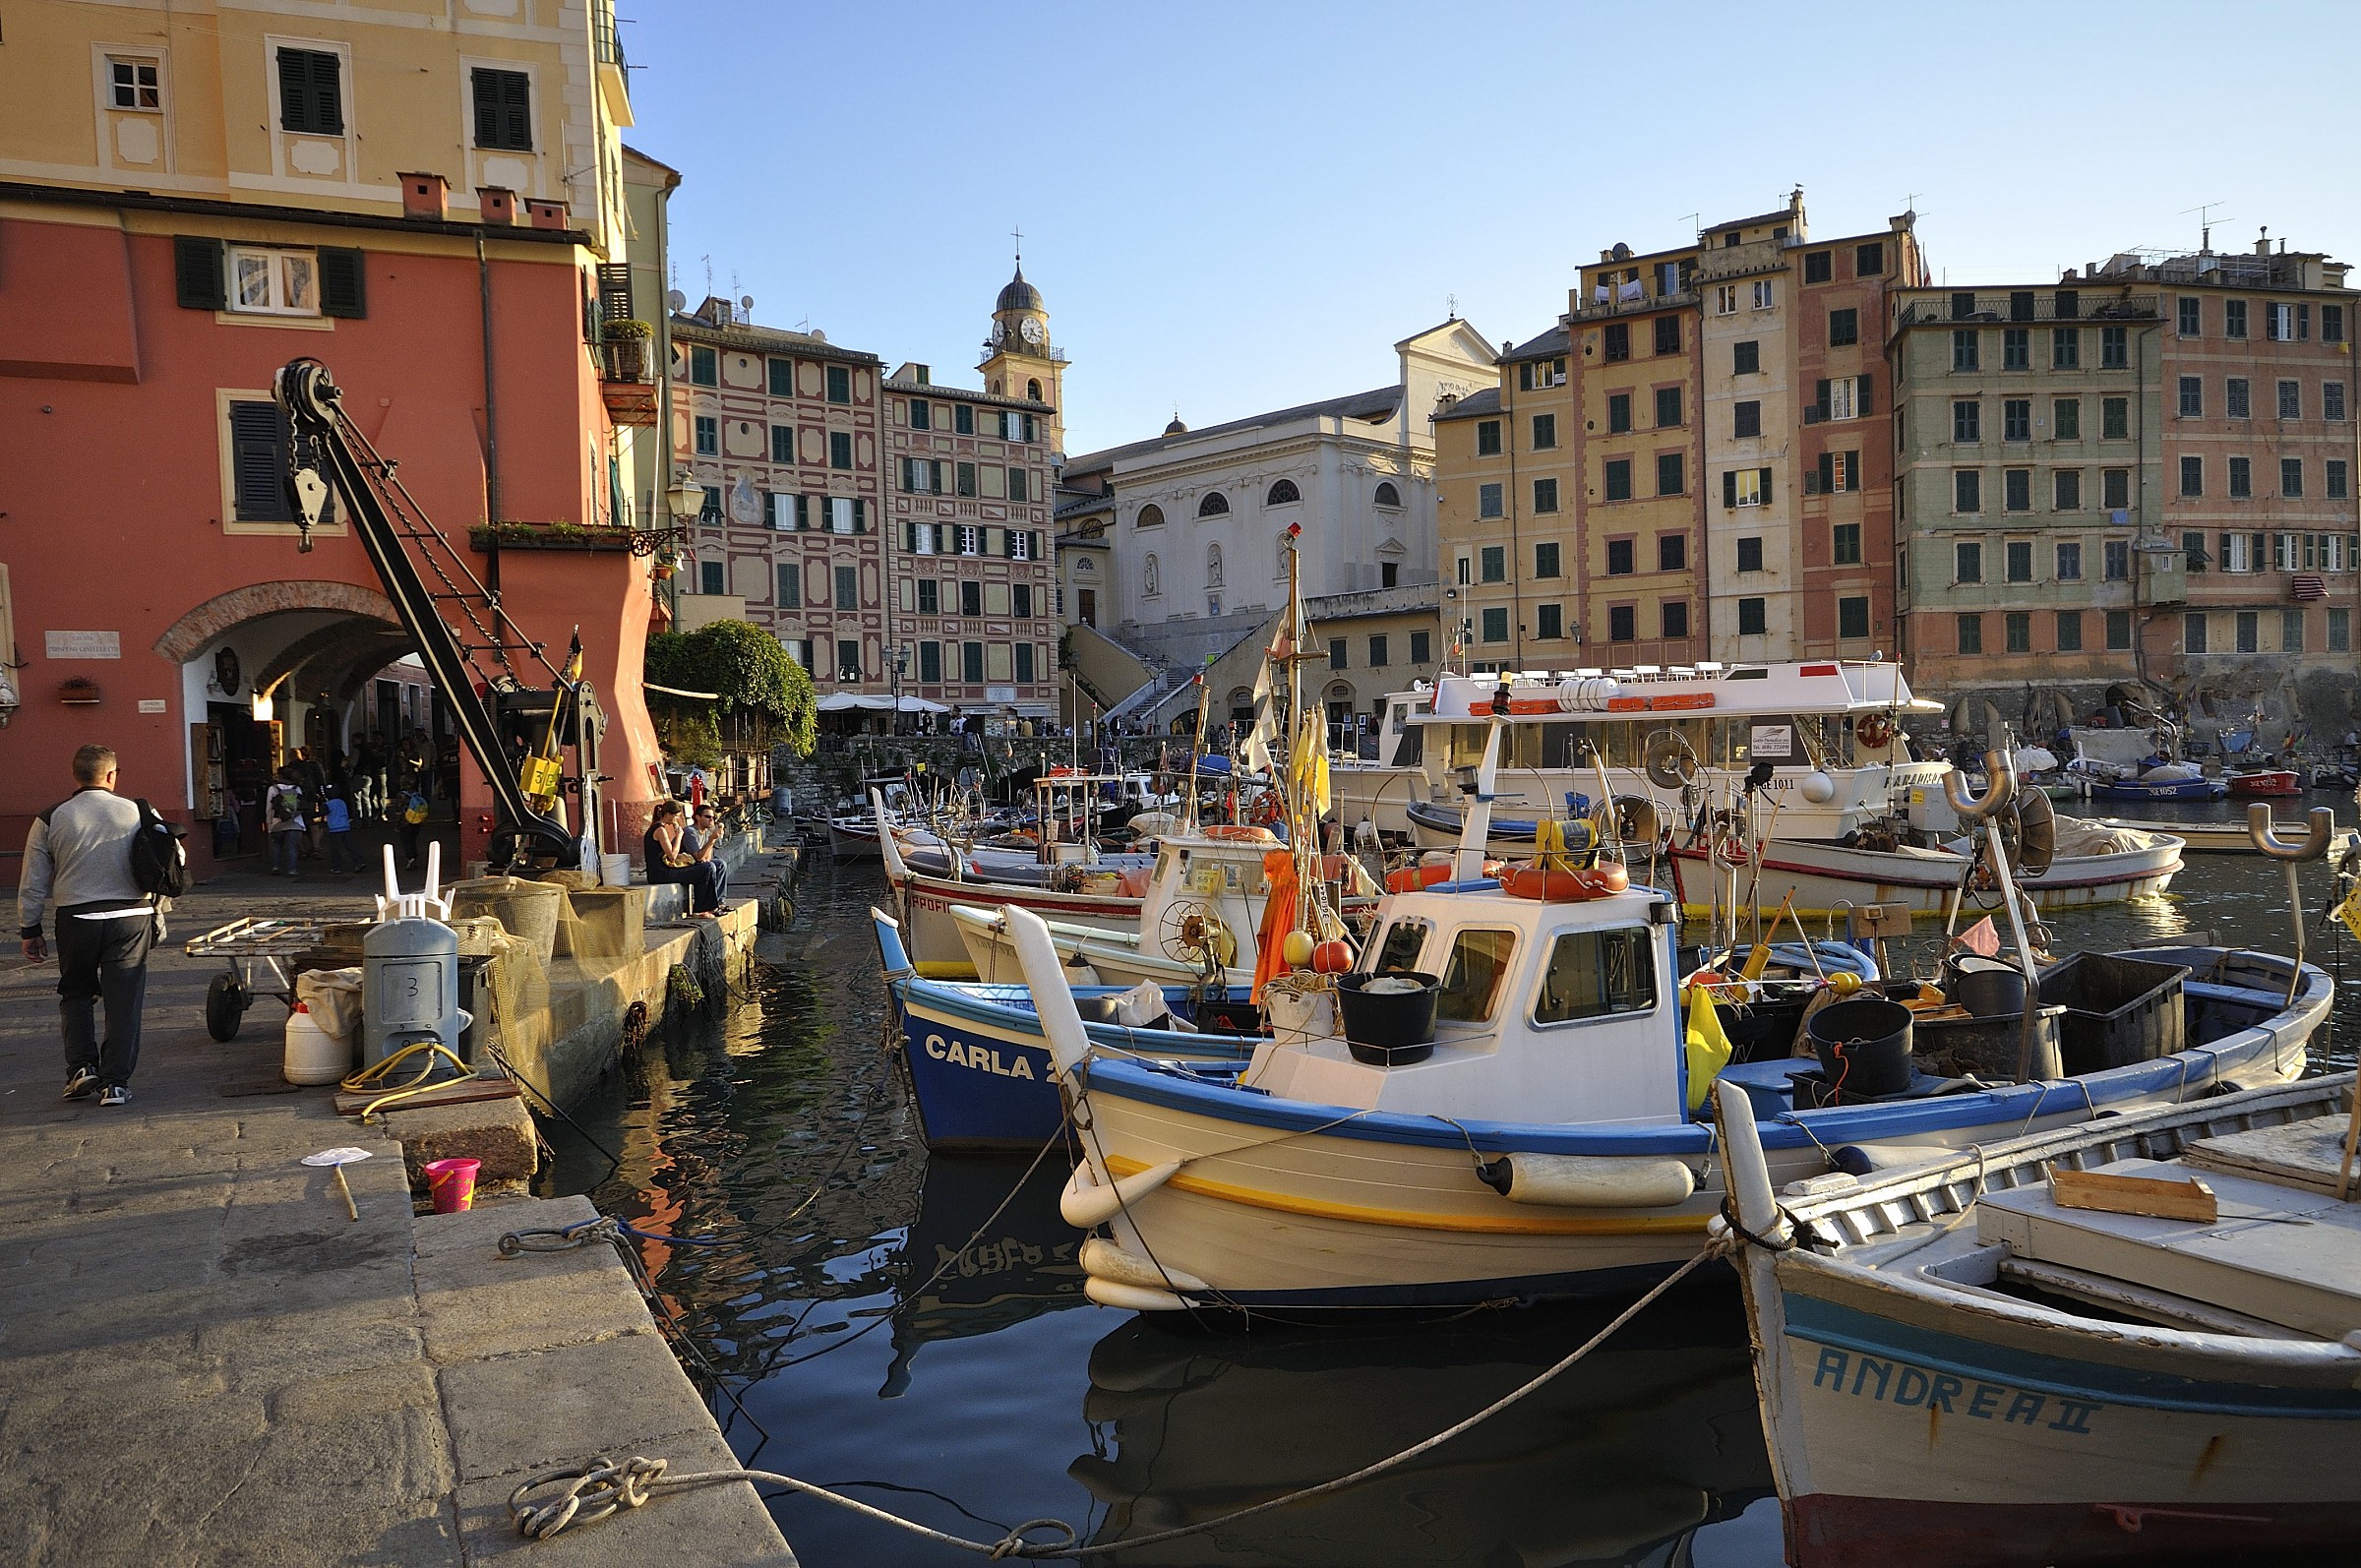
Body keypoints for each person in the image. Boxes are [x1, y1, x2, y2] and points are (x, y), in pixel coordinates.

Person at [18, 745, 155, 1106]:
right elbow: (173, 859)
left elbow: (33, 879)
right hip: (131, 917)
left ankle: (80, 1069)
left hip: (76, 918)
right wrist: (158, 911)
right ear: (111, 775)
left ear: (75, 775)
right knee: (124, 1001)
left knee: (76, 993)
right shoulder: (139, 811)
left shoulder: (51, 817)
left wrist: (30, 928)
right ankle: (115, 1083)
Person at [643, 802, 726, 917]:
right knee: (707, 868)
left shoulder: (659, 828)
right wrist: (679, 835)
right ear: (668, 815)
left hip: (664, 870)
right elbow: (672, 856)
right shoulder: (660, 830)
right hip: (661, 873)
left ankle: (713, 905)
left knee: (710, 866)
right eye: (676, 816)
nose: (676, 819)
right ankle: (700, 910)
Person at [266, 767, 306, 876]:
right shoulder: (297, 788)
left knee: (277, 845)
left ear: (280, 775)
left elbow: (269, 807)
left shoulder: (273, 788)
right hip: (295, 821)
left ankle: (276, 867)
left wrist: (269, 822)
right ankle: (292, 870)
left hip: (277, 821)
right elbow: (300, 805)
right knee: (292, 847)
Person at [322, 784, 359, 875]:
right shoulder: (342, 802)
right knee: (351, 846)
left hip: (334, 829)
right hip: (345, 827)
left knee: (336, 849)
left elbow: (322, 813)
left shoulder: (327, 804)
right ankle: (359, 861)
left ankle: (337, 867)